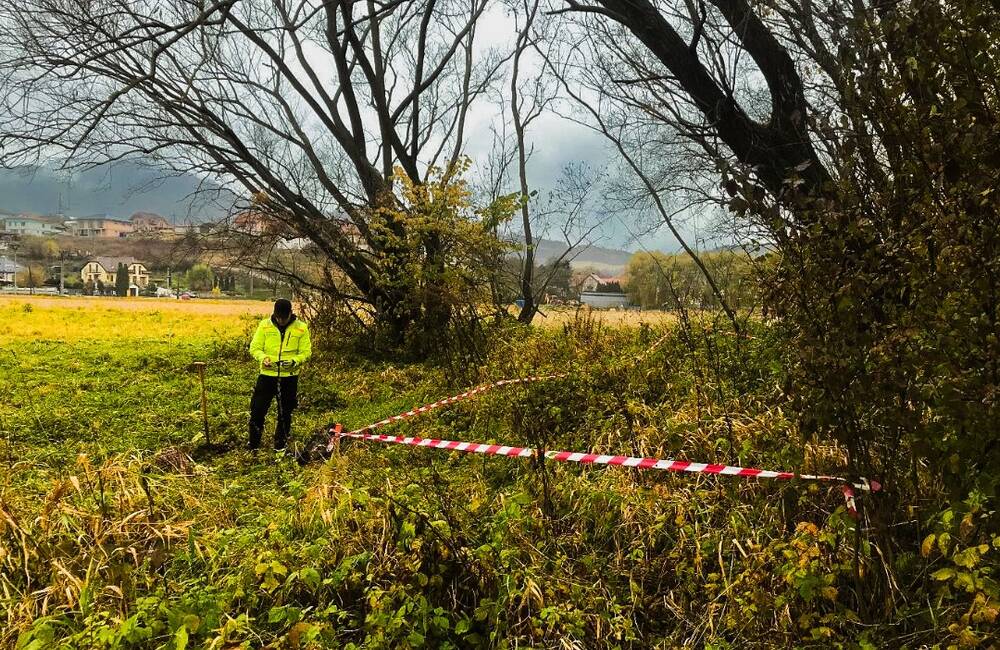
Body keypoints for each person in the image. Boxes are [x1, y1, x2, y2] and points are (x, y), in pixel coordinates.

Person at [248, 298, 312, 450]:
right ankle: (253, 445)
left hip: (289, 378)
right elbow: (254, 348)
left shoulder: (301, 328)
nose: (281, 321)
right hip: (267, 376)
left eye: (284, 317)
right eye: (278, 317)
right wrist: (263, 358)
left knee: (285, 413)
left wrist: (295, 361)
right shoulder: (264, 325)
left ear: (291, 313)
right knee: (257, 410)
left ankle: (280, 446)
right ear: (274, 314)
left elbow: (306, 352)